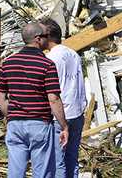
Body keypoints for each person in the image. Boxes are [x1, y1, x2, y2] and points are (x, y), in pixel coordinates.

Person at [0, 22, 69, 178]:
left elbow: (0, 94)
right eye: (45, 36)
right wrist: (64, 126)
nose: (47, 39)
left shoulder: (7, 63)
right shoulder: (47, 64)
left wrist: (10, 115)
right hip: (39, 123)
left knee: (15, 172)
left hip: (15, 124)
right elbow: (54, 99)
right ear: (37, 39)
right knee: (42, 172)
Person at [42, 19, 87, 178]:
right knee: (72, 159)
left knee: (57, 161)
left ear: (47, 36)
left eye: (40, 35)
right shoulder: (72, 53)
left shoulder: (52, 59)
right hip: (77, 112)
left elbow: (53, 93)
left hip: (60, 116)